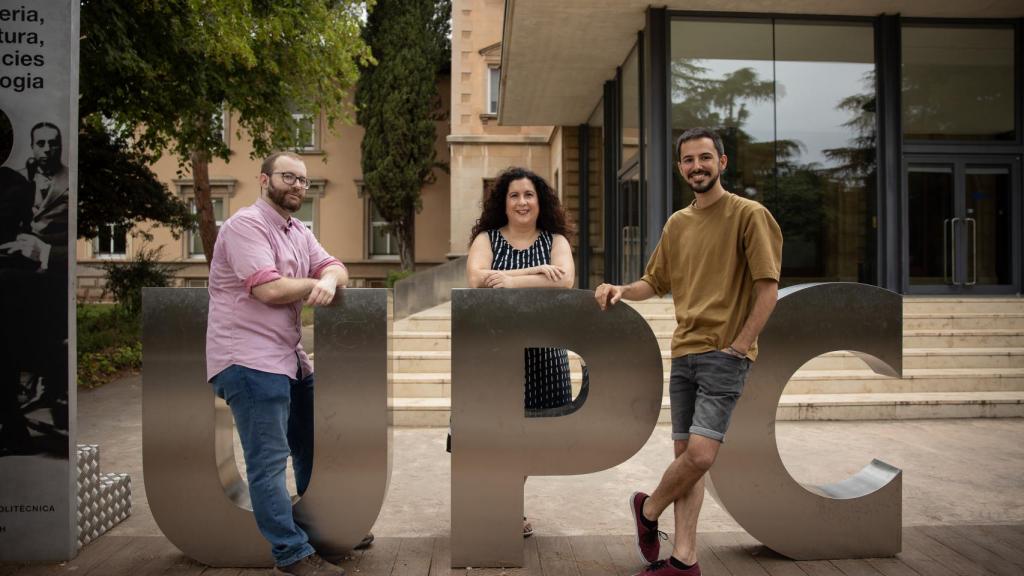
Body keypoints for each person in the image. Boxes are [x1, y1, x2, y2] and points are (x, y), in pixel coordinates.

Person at [595, 128, 782, 576]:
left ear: (722, 161)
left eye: (704, 158)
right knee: (686, 461)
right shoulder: (678, 224)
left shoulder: (749, 215)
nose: (696, 166)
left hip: (725, 355)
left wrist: (740, 346)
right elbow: (654, 283)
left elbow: (768, 289)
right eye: (688, 160)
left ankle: (648, 510)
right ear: (680, 168)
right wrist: (622, 289)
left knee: (700, 456)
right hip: (684, 355)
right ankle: (685, 560)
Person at [206, 151, 370, 576]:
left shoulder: (297, 230)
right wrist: (316, 282)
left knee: (312, 442)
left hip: (288, 359)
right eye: (288, 177)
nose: (298, 185)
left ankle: (325, 527)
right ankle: (291, 554)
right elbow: (268, 289)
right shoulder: (246, 225)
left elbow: (335, 266)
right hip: (249, 359)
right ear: (264, 180)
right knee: (268, 460)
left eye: (303, 180)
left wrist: (329, 278)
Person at [460, 166, 576, 537]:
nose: (522, 202)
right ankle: (499, 505)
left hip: (543, 354)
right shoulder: (487, 238)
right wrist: (539, 274)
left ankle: (507, 504)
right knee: (497, 431)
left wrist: (508, 278)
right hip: (495, 353)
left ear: (540, 202)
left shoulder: (556, 240)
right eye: (514, 195)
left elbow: (565, 281)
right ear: (503, 202)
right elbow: (477, 279)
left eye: (529, 195)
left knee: (530, 435)